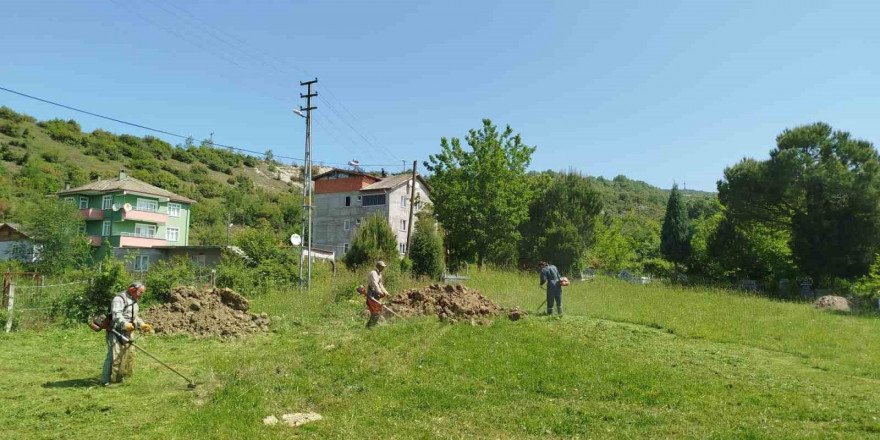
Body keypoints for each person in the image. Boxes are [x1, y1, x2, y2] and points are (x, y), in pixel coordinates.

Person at [101, 282, 153, 386]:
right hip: (116, 330)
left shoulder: (134, 300)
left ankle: (121, 377)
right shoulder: (119, 299)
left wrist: (142, 324)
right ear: (133, 290)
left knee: (129, 354)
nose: (140, 295)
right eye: (140, 292)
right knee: (113, 356)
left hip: (129, 331)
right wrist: (125, 324)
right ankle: (106, 380)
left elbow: (134, 316)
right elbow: (116, 315)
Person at [366, 261, 390, 328]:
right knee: (375, 311)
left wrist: (386, 293)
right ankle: (369, 327)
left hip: (376, 294)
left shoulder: (379, 274)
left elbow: (381, 284)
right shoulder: (373, 273)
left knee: (378, 310)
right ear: (379, 266)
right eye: (382, 267)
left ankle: (371, 326)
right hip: (372, 294)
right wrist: (380, 292)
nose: (383, 268)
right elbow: (375, 284)